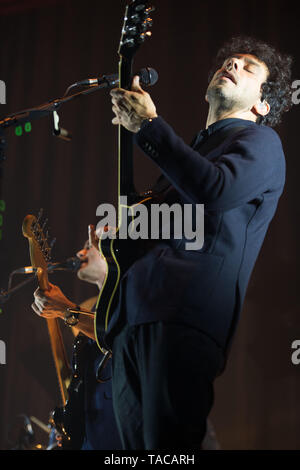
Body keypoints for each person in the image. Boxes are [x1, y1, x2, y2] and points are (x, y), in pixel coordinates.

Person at [34, 35, 293, 450]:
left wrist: (149, 127)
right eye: (229, 60)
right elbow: (166, 228)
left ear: (263, 105)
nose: (232, 64)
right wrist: (120, 241)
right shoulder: (191, 153)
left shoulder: (260, 143)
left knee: (169, 449)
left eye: (248, 67)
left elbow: (215, 190)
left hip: (182, 317)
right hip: (132, 322)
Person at [32, 226, 122, 450]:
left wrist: (66, 310)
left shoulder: (132, 299)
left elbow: (119, 337)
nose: (80, 253)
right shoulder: (95, 315)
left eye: (89, 246)